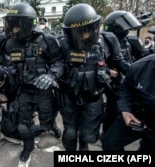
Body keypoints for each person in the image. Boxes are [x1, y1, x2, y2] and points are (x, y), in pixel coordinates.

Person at [0, 3, 64, 162]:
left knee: (46, 122)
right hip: (22, 91)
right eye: (11, 24)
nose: (13, 29)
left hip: (43, 92)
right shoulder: (10, 42)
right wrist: (9, 68)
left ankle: (51, 126)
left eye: (16, 25)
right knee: (23, 126)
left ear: (27, 24)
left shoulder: (47, 40)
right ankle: (28, 147)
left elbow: (58, 62)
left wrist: (51, 76)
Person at [58, 3, 110, 151]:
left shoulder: (105, 42)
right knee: (70, 132)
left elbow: (119, 64)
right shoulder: (63, 45)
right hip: (70, 96)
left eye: (86, 31)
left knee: (87, 135)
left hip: (93, 97)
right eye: (78, 33)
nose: (83, 36)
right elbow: (57, 63)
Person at [101, 10, 142, 134]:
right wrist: (108, 71)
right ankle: (107, 133)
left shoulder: (128, 42)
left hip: (128, 79)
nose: (127, 31)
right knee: (113, 109)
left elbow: (139, 59)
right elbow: (99, 63)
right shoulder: (104, 42)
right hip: (113, 82)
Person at [102, 54, 155, 151]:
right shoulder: (139, 67)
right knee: (109, 144)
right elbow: (125, 89)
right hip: (136, 116)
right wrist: (125, 110)